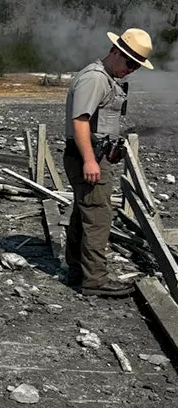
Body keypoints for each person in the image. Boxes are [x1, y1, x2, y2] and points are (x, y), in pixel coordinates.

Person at [63, 27, 153, 299]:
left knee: (85, 212)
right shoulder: (95, 79)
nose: (131, 69)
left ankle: (78, 270)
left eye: (136, 66)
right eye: (130, 63)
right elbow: (80, 121)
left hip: (92, 154)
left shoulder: (105, 78)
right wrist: (90, 160)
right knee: (98, 216)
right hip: (88, 157)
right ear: (116, 52)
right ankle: (95, 280)